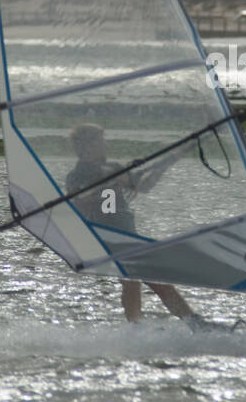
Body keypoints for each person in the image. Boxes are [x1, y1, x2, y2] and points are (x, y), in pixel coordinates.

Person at [65, 123, 197, 324]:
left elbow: (144, 185)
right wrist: (104, 188)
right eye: (101, 141)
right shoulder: (77, 175)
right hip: (106, 236)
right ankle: (136, 326)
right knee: (131, 279)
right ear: (88, 145)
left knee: (157, 282)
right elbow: (80, 206)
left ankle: (193, 322)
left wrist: (168, 162)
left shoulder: (114, 168)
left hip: (127, 233)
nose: (105, 145)